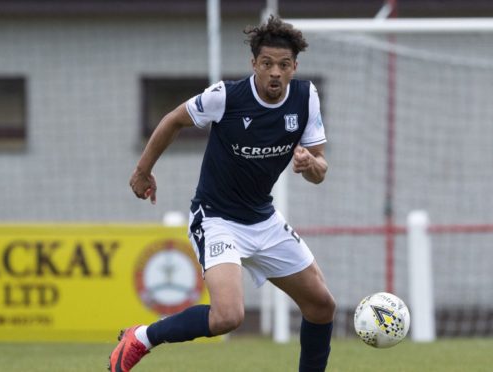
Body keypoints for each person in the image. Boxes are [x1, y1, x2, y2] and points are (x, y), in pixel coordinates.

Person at [108, 15, 335, 372]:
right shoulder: (226, 97)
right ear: (254, 64)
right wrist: (142, 170)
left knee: (322, 305)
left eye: (284, 65)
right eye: (267, 64)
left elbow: (319, 170)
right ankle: (142, 337)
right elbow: (173, 119)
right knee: (228, 316)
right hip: (217, 219)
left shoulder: (306, 98)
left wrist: (312, 164)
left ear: (295, 67)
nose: (275, 72)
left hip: (264, 219)